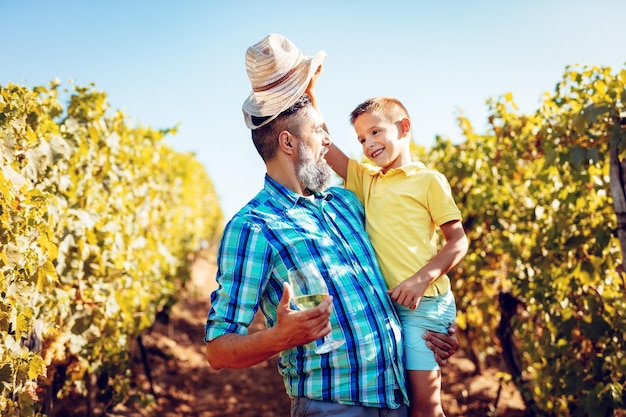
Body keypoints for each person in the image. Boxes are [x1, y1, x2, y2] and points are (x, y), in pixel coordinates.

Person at [204, 33, 459, 417]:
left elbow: (404, 257)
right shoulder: (254, 227)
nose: (329, 142)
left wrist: (429, 330)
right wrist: (279, 337)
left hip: (399, 401)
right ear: (288, 143)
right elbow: (217, 350)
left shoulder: (345, 203)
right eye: (320, 132)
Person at [317, 88, 469, 416]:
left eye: (375, 132)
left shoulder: (429, 180)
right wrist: (311, 91)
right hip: (386, 306)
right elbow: (324, 143)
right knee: (398, 403)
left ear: (404, 127)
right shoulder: (366, 180)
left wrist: (419, 281)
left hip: (423, 304)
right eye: (360, 139)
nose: (368, 144)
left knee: (425, 408)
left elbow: (458, 241)